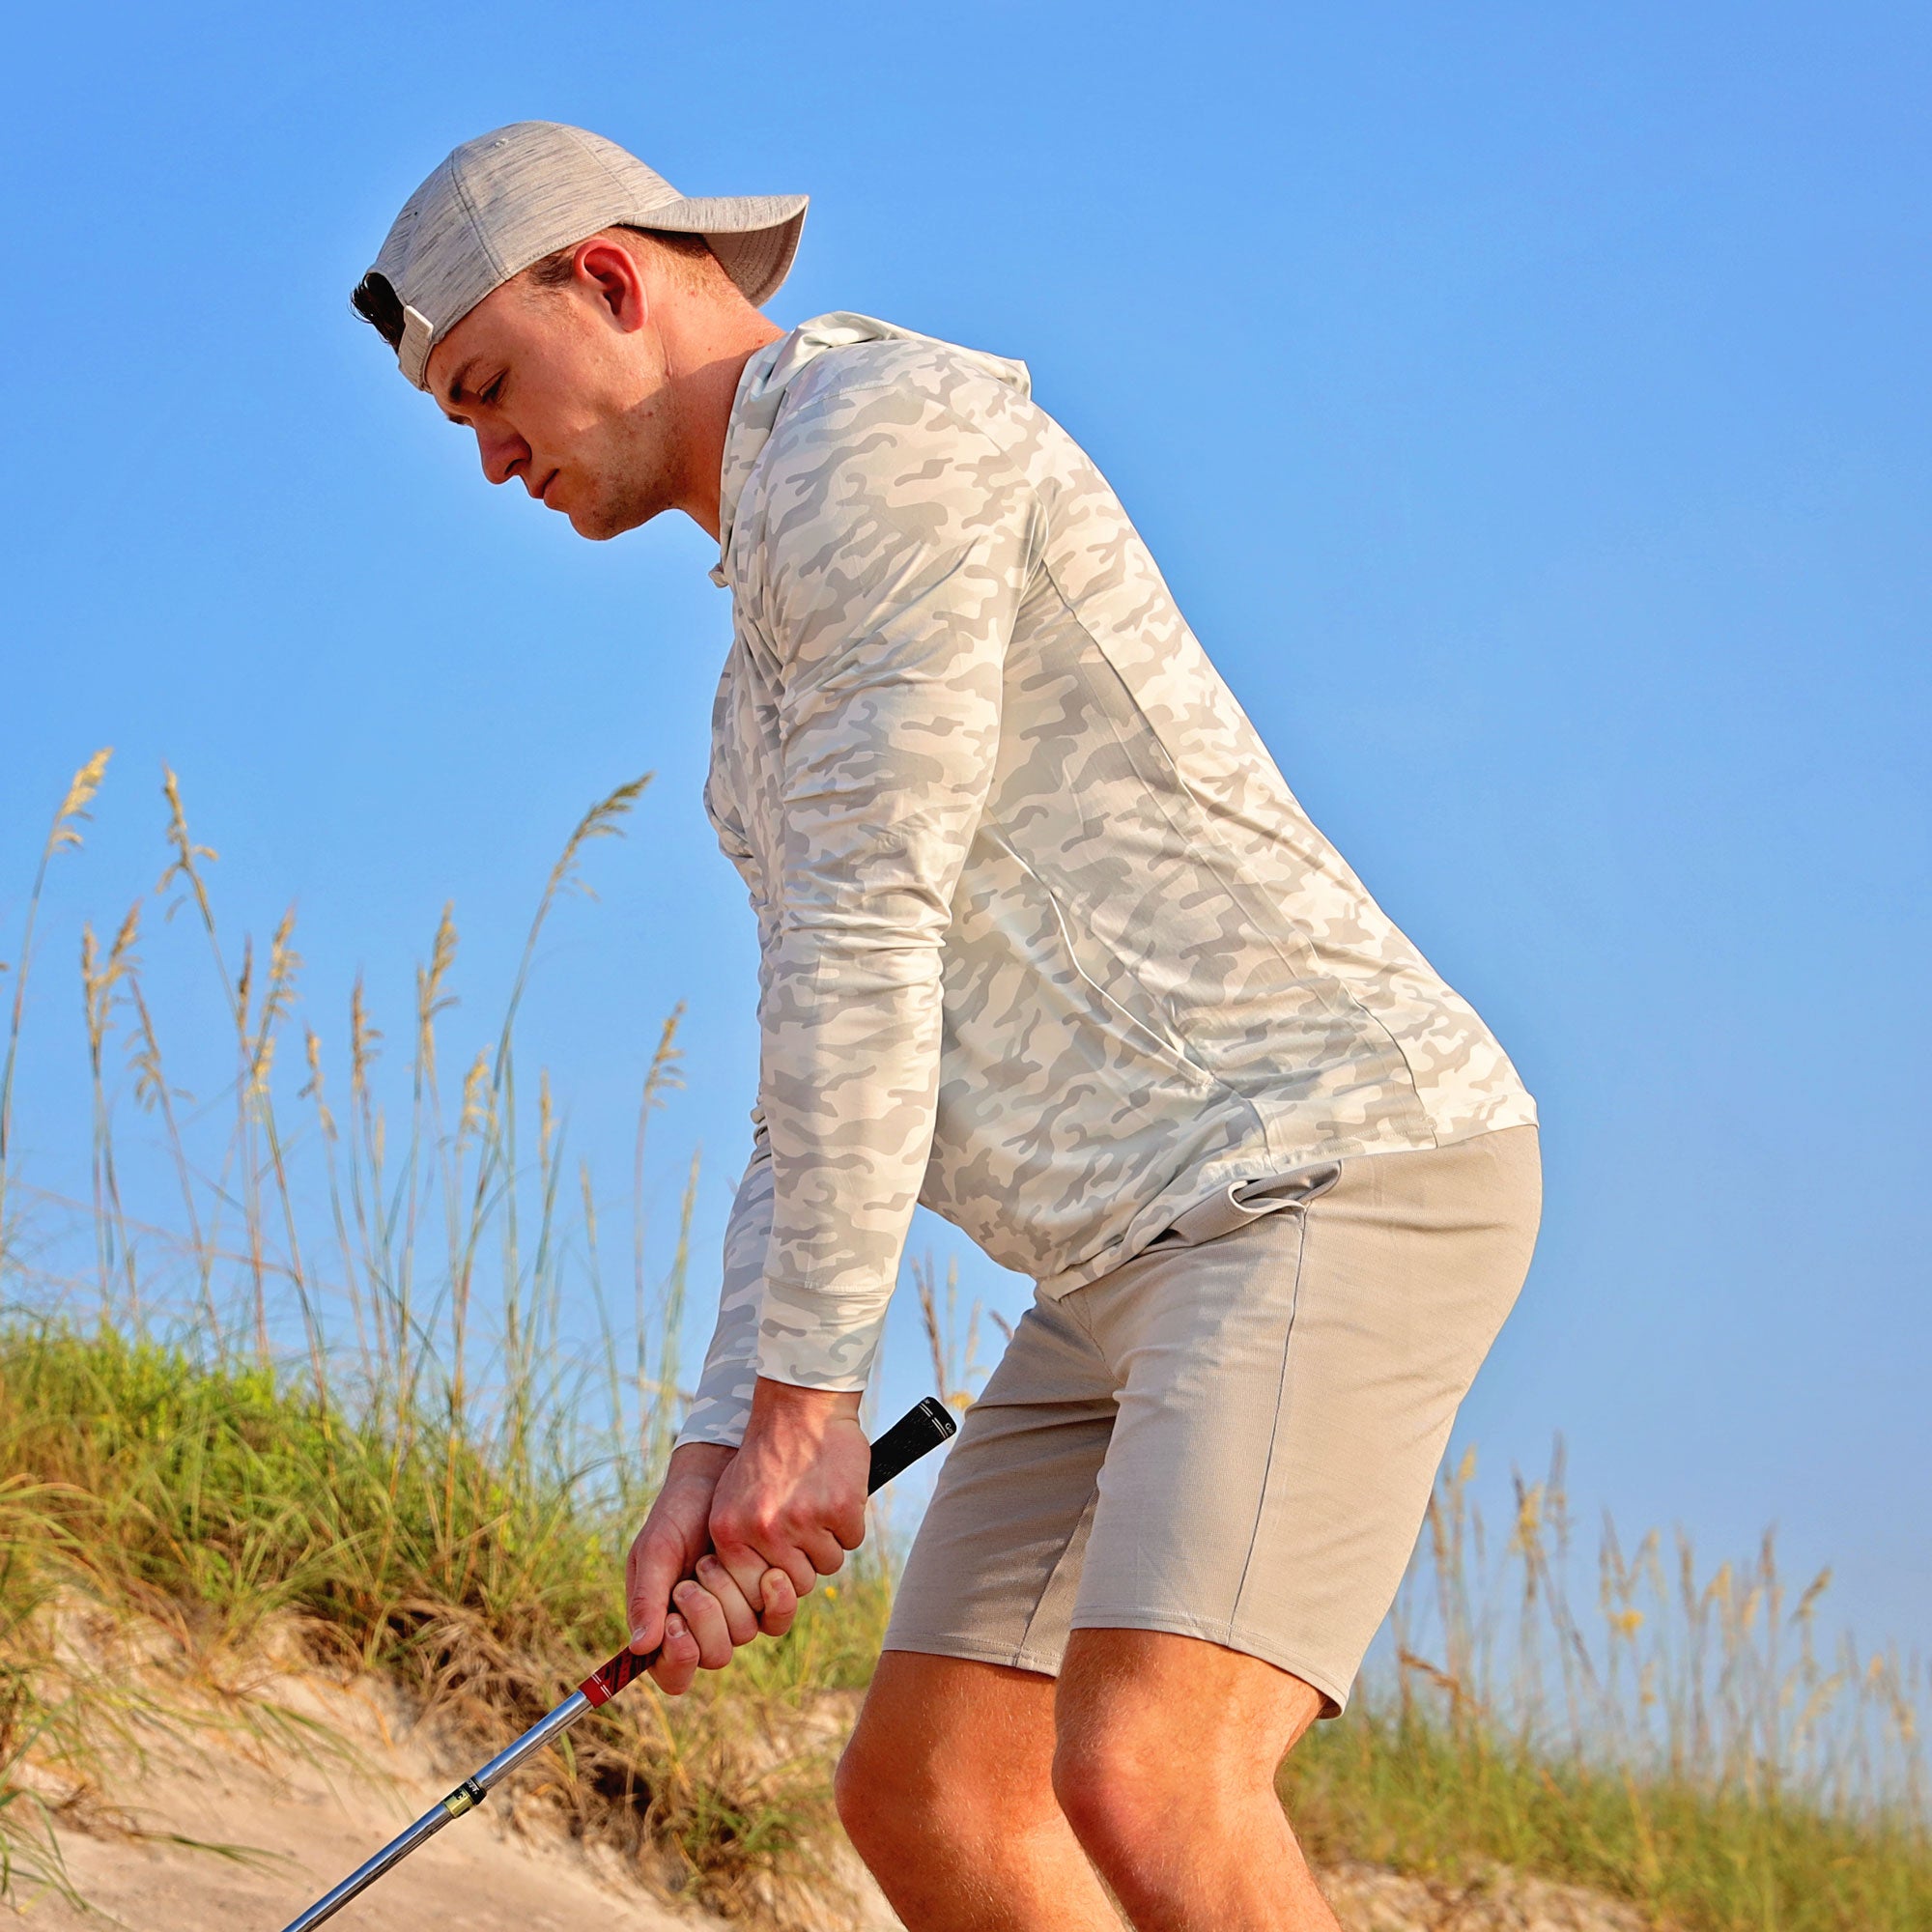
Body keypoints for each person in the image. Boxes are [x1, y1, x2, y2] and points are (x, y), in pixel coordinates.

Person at [354, 122, 1542, 1932]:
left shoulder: (874, 441)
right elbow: (805, 1080)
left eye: (490, 389)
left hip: (1322, 1167)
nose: (495, 455)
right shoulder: (758, 674)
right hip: (1117, 1262)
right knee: (929, 1795)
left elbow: (868, 934)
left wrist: (812, 1406)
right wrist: (717, 1445)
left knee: (1150, 1769)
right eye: (461, 422)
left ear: (606, 280)